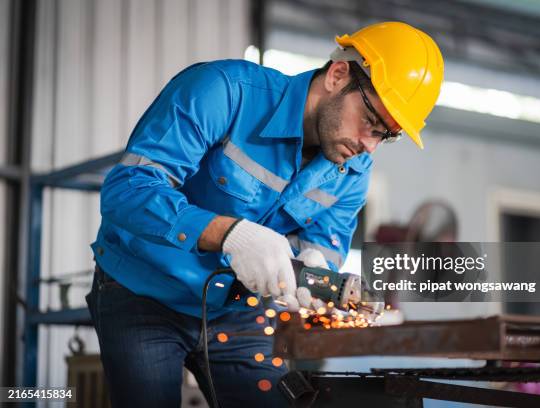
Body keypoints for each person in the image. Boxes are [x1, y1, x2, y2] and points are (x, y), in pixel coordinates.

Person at [85, 21, 444, 407]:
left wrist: (315, 268)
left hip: (237, 310)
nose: (369, 147)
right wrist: (230, 234)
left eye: (385, 136)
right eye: (371, 122)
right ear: (338, 76)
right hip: (143, 288)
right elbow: (127, 191)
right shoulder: (223, 91)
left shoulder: (353, 169)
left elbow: (324, 244)